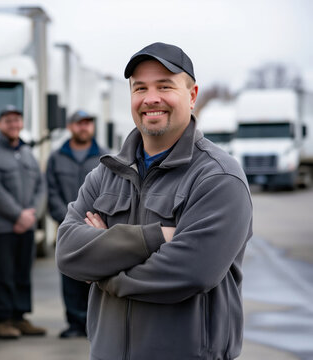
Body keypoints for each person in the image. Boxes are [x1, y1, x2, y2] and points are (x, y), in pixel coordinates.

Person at [55, 42, 253, 359]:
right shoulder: (105, 174)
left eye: (165, 86)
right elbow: (67, 251)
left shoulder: (218, 178)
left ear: (192, 95)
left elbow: (192, 271)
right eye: (140, 88)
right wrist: (157, 236)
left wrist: (105, 270)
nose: (151, 99)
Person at [0, 105, 47, 339]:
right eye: (8, 120)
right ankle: (2, 320)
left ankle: (20, 317)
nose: (13, 124)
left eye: (17, 120)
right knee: (2, 274)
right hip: (2, 228)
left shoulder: (28, 154)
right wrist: (18, 216)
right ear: (0, 124)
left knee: (22, 273)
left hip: (26, 226)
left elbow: (41, 186)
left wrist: (32, 216)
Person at [46, 110, 108, 339]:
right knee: (70, 274)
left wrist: (96, 221)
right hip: (66, 226)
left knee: (93, 275)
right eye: (80, 124)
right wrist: (66, 218)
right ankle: (74, 322)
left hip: (95, 228)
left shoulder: (104, 156)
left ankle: (93, 324)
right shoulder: (57, 157)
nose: (84, 128)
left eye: (88, 123)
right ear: (71, 127)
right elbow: (50, 190)